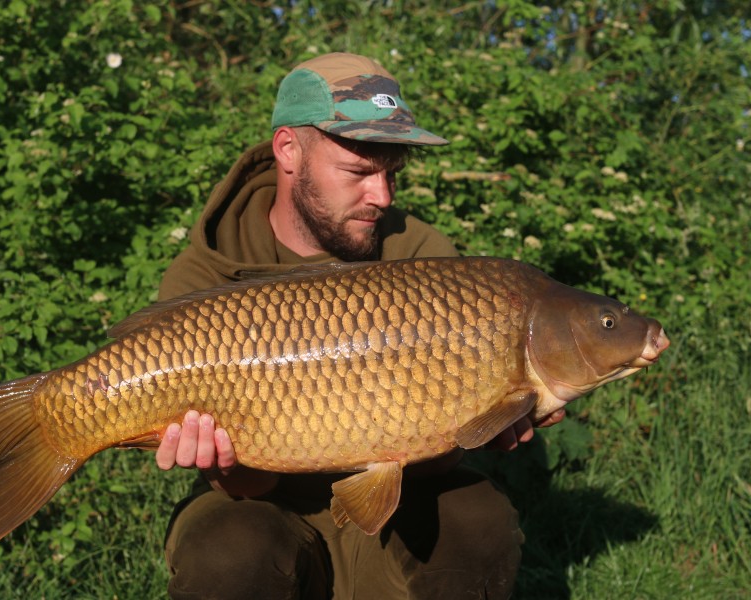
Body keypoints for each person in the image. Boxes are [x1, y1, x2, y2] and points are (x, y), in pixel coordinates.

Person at [153, 52, 564, 599]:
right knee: (228, 549)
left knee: (477, 516)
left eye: (391, 172)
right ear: (288, 150)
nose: (383, 196)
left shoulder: (420, 254)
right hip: (266, 509)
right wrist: (224, 464)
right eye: (359, 172)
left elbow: (434, 452)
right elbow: (246, 486)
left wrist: (485, 422)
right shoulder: (205, 275)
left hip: (396, 505)